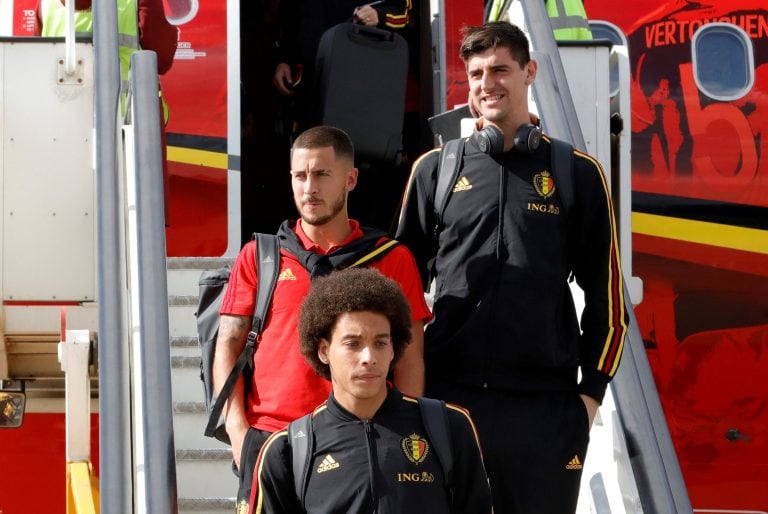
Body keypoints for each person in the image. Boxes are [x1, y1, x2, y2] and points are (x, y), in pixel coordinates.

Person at [396, 21, 629, 513]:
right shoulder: (434, 171)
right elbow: (398, 295)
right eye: (476, 73)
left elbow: (610, 302)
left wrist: (587, 400)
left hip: (545, 410)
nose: (487, 83)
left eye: (500, 69)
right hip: (449, 401)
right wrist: (410, 396)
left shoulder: (578, 174)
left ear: (530, 72)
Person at [215, 125, 431, 513]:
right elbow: (227, 347)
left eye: (321, 174)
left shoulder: (391, 259)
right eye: (300, 176)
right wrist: (237, 432)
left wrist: (404, 435)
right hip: (269, 441)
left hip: (357, 437)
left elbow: (410, 357)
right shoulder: (260, 256)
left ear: (350, 180)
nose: (309, 187)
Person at [249, 267, 492, 513]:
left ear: (393, 349)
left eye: (380, 343)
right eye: (352, 344)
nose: (368, 357)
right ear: (323, 350)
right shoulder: (287, 451)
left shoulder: (450, 427)